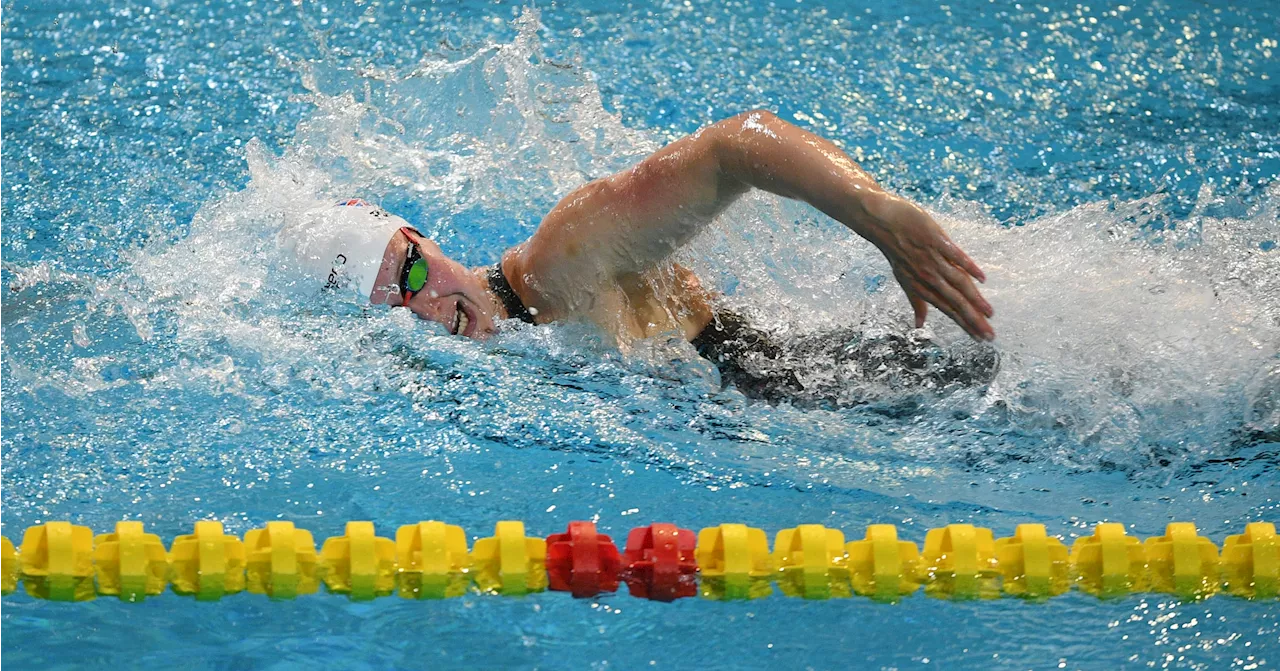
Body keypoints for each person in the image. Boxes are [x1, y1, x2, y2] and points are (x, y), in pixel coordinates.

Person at [281, 110, 997, 401]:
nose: (427, 306)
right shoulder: (484, 370)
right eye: (393, 306)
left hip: (866, 380)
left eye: (411, 271)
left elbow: (734, 146)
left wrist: (874, 211)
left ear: (422, 237)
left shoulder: (561, 260)